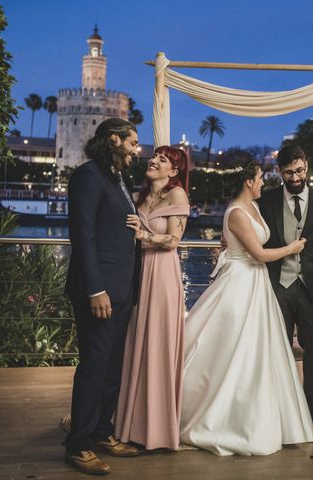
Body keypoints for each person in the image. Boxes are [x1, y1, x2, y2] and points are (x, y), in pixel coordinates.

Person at [180, 160, 313, 456]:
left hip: (256, 283)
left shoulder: (253, 207)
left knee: (257, 348)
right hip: (241, 282)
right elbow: (259, 254)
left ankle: (259, 410)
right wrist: (292, 249)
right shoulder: (238, 212)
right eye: (259, 178)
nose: (263, 183)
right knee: (233, 346)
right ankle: (227, 416)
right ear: (248, 182)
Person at [64, 118, 141, 475]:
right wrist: (96, 289)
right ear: (114, 140)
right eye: (133, 142)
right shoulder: (88, 176)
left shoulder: (118, 178)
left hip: (123, 289)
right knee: (95, 364)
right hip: (99, 291)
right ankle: (77, 444)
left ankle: (101, 432)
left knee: (112, 365)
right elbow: (84, 238)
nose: (136, 150)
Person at [257, 145, 313, 426]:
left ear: (307, 166)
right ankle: (277, 404)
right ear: (280, 172)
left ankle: (311, 405)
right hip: (277, 283)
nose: (295, 177)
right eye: (289, 172)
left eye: (300, 170)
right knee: (276, 344)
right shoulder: (265, 202)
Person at [114, 146, 190, 451]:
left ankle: (157, 430)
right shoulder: (141, 195)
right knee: (136, 345)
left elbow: (173, 241)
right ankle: (131, 423)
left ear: (173, 171)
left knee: (157, 345)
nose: (154, 160)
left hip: (162, 274)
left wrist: (143, 236)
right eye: (154, 156)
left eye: (163, 159)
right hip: (138, 272)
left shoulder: (178, 195)